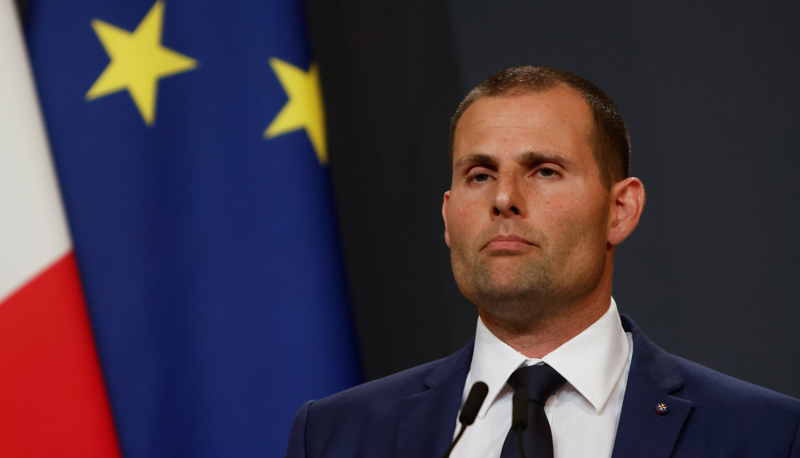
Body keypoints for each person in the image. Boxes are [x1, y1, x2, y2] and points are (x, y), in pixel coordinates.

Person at [284, 66, 800, 458]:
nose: (503, 198)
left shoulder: (766, 436)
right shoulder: (336, 436)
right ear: (447, 215)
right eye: (479, 175)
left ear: (620, 209)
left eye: (544, 171)